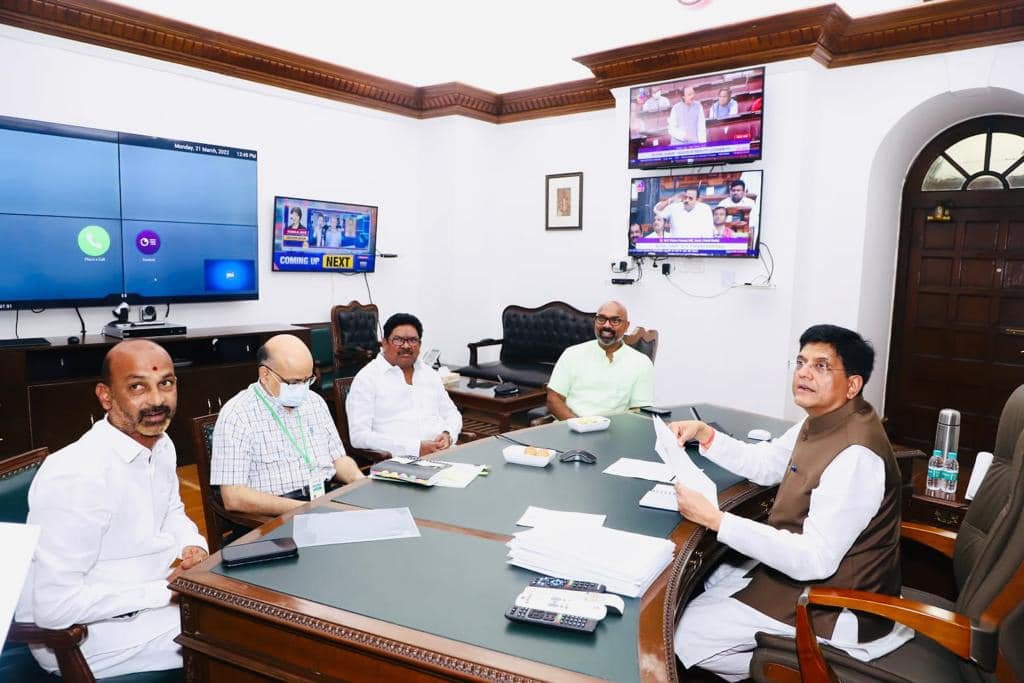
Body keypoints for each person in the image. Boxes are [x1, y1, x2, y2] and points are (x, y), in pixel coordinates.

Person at [670, 325, 910, 681]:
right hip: (807, 580)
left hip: (834, 603)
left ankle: (778, 669)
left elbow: (814, 559)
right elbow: (767, 464)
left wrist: (717, 520)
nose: (804, 372)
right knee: (710, 583)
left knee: (678, 633)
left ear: (853, 385)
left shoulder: (856, 456)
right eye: (800, 362)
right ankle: (764, 660)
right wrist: (706, 434)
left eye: (821, 366)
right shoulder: (825, 420)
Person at [16, 340, 208, 678]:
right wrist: (164, 590)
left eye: (166, 383)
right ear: (106, 396)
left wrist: (192, 545)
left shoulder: (161, 444)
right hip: (83, 636)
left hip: (145, 605)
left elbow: (172, 512)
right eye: (137, 387)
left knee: (254, 623)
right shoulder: (78, 474)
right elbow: (54, 609)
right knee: (244, 641)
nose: (157, 400)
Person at [211, 334, 364, 516]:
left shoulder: (314, 401)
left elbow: (338, 459)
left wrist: (360, 481)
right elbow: (233, 497)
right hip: (275, 515)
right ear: (265, 374)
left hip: (324, 499)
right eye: (294, 382)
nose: (302, 388)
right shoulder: (237, 415)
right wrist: (306, 510)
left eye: (308, 380)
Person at [347, 313, 463, 457]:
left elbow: (452, 413)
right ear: (384, 343)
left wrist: (448, 434)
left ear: (420, 344)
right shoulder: (367, 379)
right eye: (398, 340)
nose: (407, 346)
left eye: (413, 340)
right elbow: (359, 436)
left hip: (443, 454)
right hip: (400, 463)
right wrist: (414, 448)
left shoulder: (429, 373)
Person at [546, 301, 654, 419]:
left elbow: (639, 411)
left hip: (615, 432)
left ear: (626, 326)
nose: (607, 325)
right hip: (570, 426)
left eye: (615, 321)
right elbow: (554, 399)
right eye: (601, 319)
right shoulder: (572, 354)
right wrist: (580, 425)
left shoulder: (641, 363)